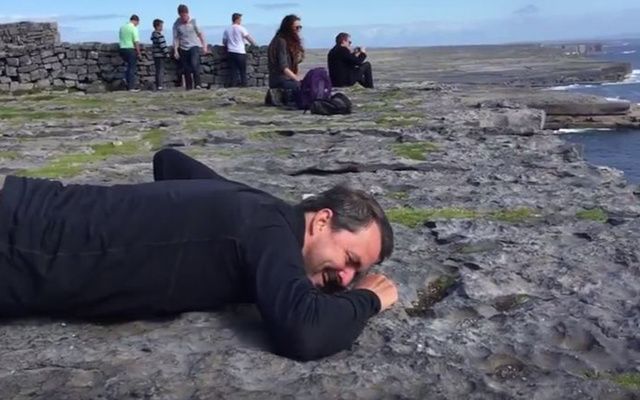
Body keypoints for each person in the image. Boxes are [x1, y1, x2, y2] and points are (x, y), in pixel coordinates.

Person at [0, 148, 398, 361]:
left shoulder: (259, 212)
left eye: (356, 274)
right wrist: (369, 298)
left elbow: (168, 159)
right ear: (322, 221)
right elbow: (304, 332)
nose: (345, 279)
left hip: (29, 210)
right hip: (17, 249)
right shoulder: (269, 232)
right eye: (350, 260)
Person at [173, 4, 208, 90]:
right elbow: (176, 38)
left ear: (187, 13)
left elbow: (200, 35)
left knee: (194, 64)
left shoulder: (194, 21)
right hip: (183, 47)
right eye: (181, 16)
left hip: (194, 46)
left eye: (184, 15)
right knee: (186, 68)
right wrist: (175, 50)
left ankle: (198, 84)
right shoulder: (176, 24)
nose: (183, 18)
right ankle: (188, 87)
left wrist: (204, 47)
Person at [267, 14, 305, 91]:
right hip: (280, 80)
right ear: (288, 28)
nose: (298, 30)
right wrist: (297, 79)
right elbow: (283, 67)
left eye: (300, 27)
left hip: (286, 78)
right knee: (304, 87)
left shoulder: (289, 42)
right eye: (296, 27)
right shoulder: (281, 41)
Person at [223, 13, 258, 87]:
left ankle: (233, 85)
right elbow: (248, 38)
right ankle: (244, 84)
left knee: (233, 70)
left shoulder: (227, 29)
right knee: (242, 70)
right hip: (240, 52)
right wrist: (255, 44)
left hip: (231, 51)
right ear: (237, 19)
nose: (241, 21)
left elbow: (224, 42)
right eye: (240, 19)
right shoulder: (241, 28)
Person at [118, 15, 142, 92]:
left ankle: (125, 80)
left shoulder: (122, 27)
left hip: (122, 49)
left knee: (128, 67)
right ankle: (131, 87)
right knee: (132, 68)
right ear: (136, 21)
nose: (137, 24)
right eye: (137, 23)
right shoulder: (133, 28)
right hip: (130, 49)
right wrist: (138, 53)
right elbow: (136, 42)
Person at [151, 19, 170, 90]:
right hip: (160, 55)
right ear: (157, 26)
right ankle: (160, 85)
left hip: (155, 55)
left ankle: (158, 85)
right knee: (160, 70)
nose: (162, 27)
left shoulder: (153, 35)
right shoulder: (159, 35)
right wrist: (167, 53)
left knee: (157, 70)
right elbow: (163, 45)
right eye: (161, 26)